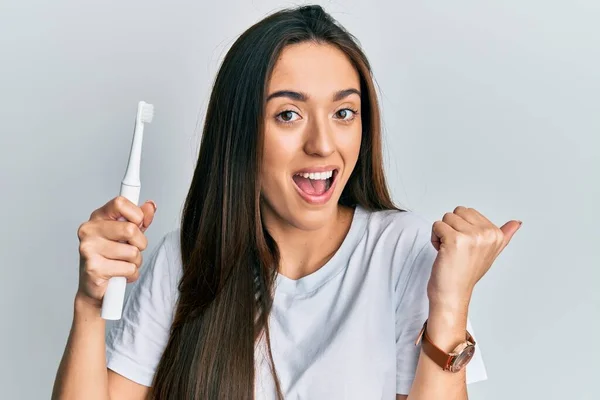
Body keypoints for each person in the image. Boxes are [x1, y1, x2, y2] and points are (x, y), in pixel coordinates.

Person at [52, 4, 521, 400]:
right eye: (288, 114)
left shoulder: (406, 250)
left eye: (343, 112)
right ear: (240, 132)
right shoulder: (186, 260)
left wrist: (450, 302)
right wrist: (90, 305)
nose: (322, 144)